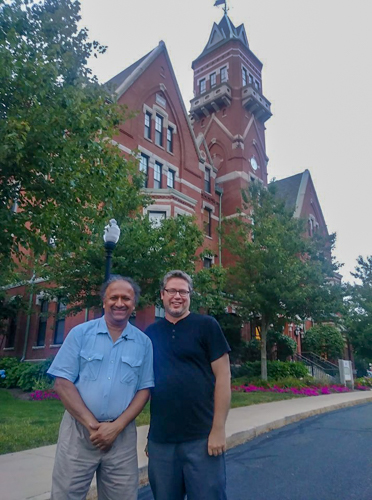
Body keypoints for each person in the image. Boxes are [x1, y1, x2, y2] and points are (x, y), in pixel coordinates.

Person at [47, 275, 154, 500]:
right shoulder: (80, 334)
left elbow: (144, 390)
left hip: (121, 437)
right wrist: (92, 425)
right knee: (66, 495)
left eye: (126, 298)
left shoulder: (143, 343)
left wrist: (115, 428)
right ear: (103, 301)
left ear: (134, 304)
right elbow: (62, 382)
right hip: (79, 433)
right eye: (113, 297)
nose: (119, 303)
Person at [145, 270, 231, 500]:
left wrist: (218, 429)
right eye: (172, 290)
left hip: (202, 438)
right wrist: (151, 440)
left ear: (190, 295)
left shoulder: (207, 326)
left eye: (183, 291)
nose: (177, 296)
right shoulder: (150, 334)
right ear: (162, 295)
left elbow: (223, 378)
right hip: (161, 442)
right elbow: (145, 386)